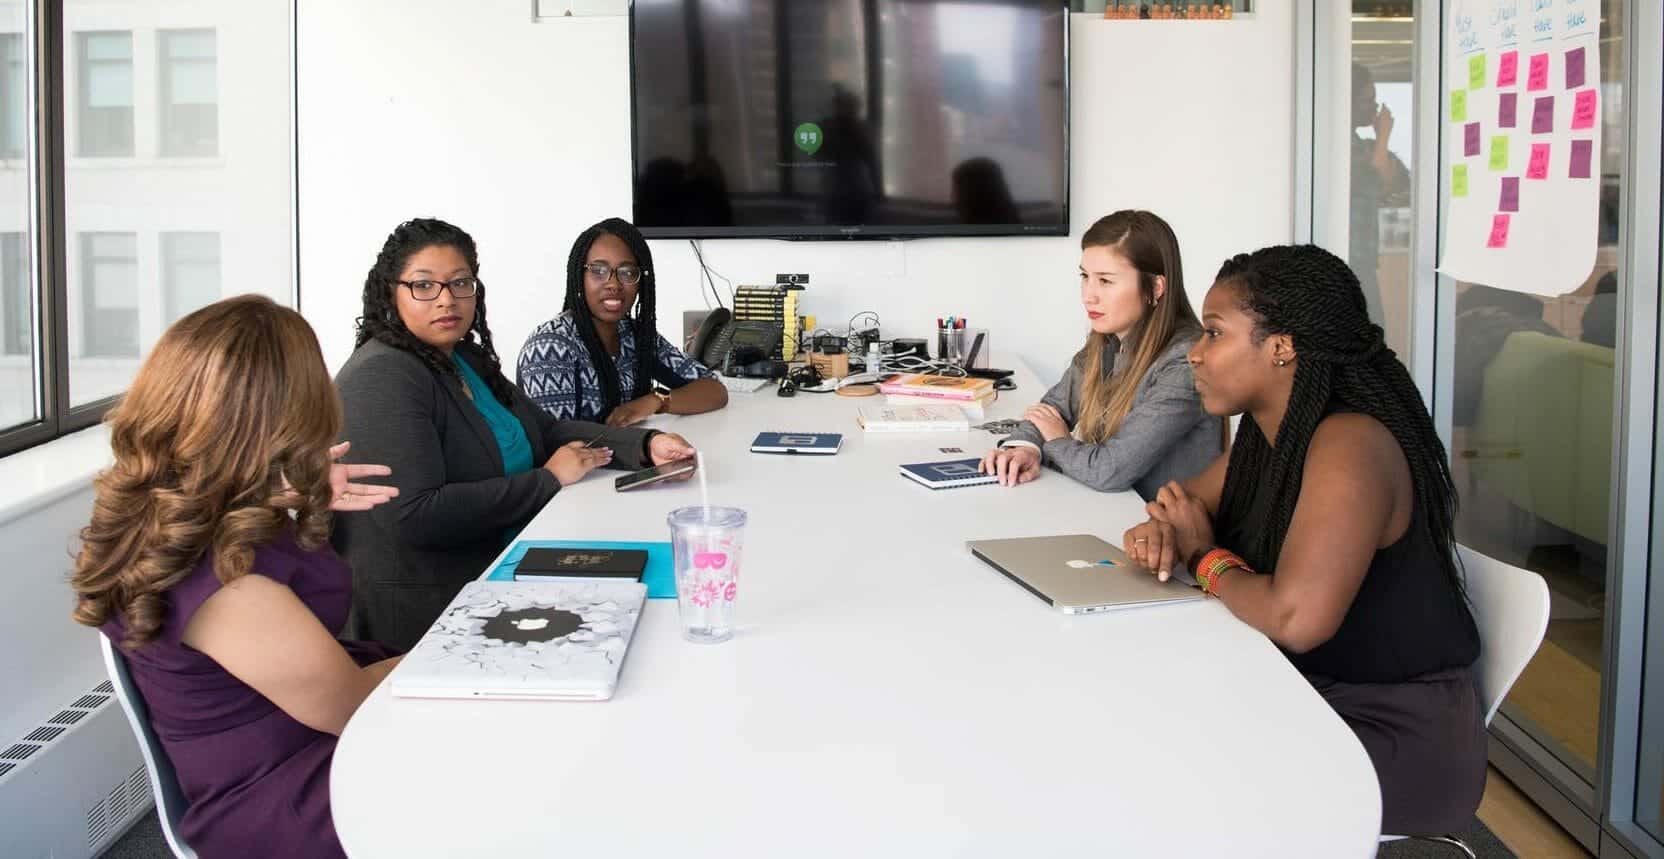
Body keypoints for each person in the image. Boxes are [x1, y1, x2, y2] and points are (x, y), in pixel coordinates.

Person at [1123, 244, 1484, 835]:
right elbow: (1174, 506)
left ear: (1282, 346)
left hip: (1388, 736)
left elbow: (1296, 618)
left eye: (1215, 333)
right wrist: (1162, 533)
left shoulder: (1350, 444)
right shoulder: (1270, 437)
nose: (1195, 352)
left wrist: (1201, 555)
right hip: (1301, 691)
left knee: (1158, 773)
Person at [71, 296, 403, 858]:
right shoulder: (231, 590)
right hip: (290, 793)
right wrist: (455, 649)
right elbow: (352, 711)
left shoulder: (172, 509)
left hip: (293, 732)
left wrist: (283, 490)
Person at [335, 218, 697, 651]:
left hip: (504, 566)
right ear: (390, 293)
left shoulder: (460, 356)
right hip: (427, 610)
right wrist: (547, 480)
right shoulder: (382, 375)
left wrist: (644, 444)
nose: (446, 299)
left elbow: (544, 430)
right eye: (424, 285)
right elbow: (416, 514)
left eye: (460, 283)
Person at [979, 210, 1221, 500]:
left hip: (1164, 534)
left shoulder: (1184, 363)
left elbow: (1109, 471)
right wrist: (1024, 449)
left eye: (1105, 281)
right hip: (1119, 515)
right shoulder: (1106, 340)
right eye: (1085, 277)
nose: (1088, 295)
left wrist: (1056, 440)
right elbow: (1052, 409)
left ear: (1156, 287)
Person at [518, 217, 728, 426]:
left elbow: (714, 389)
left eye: (627, 272)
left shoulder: (635, 336)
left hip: (635, 455)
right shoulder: (549, 347)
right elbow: (557, 440)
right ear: (578, 276)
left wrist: (655, 400)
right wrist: (644, 446)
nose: (613, 284)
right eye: (598, 271)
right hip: (604, 457)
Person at [1350, 63, 1411, 327]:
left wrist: (1381, 140)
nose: (1375, 107)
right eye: (1368, 100)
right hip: (1347, 257)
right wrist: (1384, 135)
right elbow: (1370, 181)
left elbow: (1393, 188)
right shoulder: (1336, 146)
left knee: (1373, 327)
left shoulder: (1367, 148)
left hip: (1362, 259)